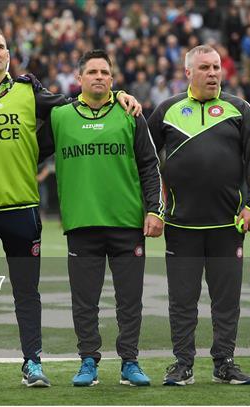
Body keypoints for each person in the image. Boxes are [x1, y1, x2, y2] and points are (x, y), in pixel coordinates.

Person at [0, 27, 141, 389]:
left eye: (0, 46)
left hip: (23, 209)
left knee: (27, 292)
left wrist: (118, 93)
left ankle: (32, 362)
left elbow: (81, 103)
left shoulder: (30, 92)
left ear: (10, 55)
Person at [40, 49, 164, 387]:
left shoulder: (130, 114)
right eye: (92, 71)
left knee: (130, 300)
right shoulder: (60, 116)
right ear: (78, 79)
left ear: (112, 79)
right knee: (85, 301)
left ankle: (129, 361)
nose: (99, 76)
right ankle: (88, 361)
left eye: (105, 72)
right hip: (82, 223)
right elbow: (29, 152)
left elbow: (150, 166)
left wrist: (154, 209)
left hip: (127, 223)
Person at [148, 45, 250, 386]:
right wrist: (154, 208)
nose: (213, 73)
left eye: (216, 67)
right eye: (205, 67)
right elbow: (145, 159)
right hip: (181, 225)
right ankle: (182, 364)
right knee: (182, 301)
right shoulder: (167, 110)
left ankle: (225, 362)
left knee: (226, 301)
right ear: (188, 72)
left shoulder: (239, 109)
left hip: (228, 226)